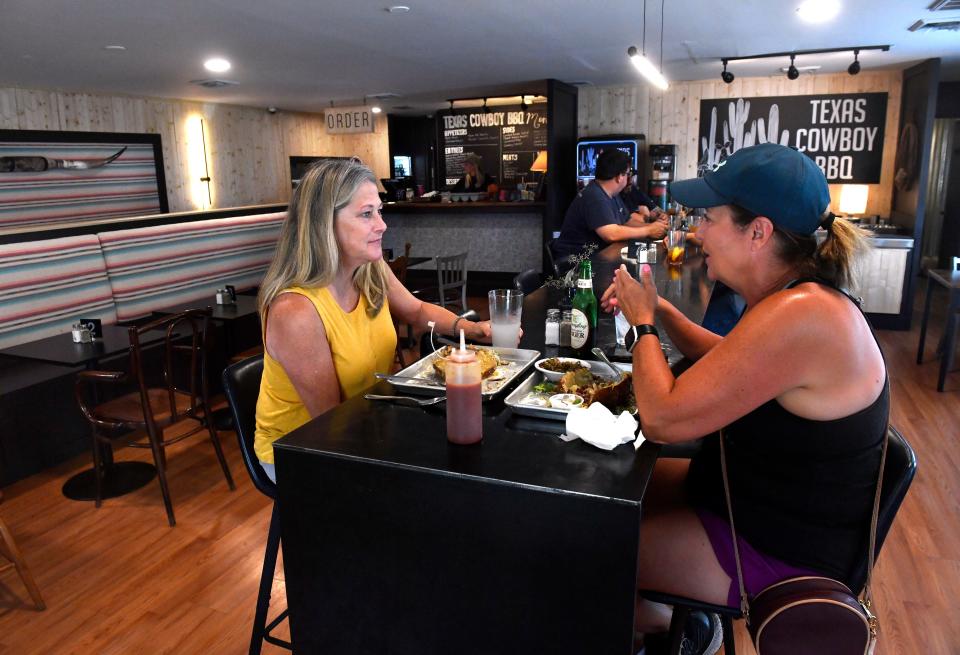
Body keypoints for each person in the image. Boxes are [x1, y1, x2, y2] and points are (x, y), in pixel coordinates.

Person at [600, 143, 887, 653]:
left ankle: (679, 629)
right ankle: (670, 621)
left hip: (773, 548)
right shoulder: (797, 299)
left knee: (586, 547)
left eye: (709, 218)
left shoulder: (803, 317)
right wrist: (663, 310)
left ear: (759, 232)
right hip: (748, 501)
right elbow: (730, 361)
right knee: (603, 494)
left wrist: (643, 323)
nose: (696, 231)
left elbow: (663, 418)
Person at [254, 158, 493, 482]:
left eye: (379, 212)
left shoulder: (368, 269)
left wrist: (475, 330)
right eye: (367, 214)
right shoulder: (295, 312)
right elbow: (331, 427)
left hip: (366, 421)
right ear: (324, 223)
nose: (382, 225)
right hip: (301, 451)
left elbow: (417, 312)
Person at [553, 149, 668, 261]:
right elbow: (611, 234)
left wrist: (655, 227)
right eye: (628, 174)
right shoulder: (594, 196)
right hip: (575, 263)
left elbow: (627, 221)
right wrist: (648, 230)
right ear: (619, 177)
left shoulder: (610, 193)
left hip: (596, 257)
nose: (629, 178)